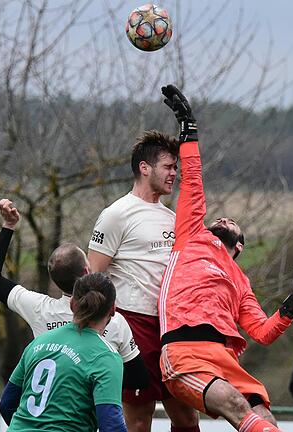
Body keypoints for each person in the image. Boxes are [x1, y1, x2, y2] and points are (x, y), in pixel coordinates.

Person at [157, 84, 293, 432]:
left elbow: (262, 331)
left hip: (224, 359)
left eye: (233, 224)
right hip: (186, 351)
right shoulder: (192, 235)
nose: (224, 219)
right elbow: (194, 184)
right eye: (221, 219)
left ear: (239, 247)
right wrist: (189, 130)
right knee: (236, 407)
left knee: (265, 416)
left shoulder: (239, 281)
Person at [88, 130, 200, 432]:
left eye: (176, 167)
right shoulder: (116, 214)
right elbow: (92, 277)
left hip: (172, 327)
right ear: (144, 168)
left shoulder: (170, 216)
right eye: (168, 166)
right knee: (138, 421)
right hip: (134, 326)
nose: (174, 173)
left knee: (188, 419)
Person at [0, 198, 148, 391]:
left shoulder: (39, 309)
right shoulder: (113, 320)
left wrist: (8, 225)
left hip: (48, 410)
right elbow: (138, 379)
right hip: (89, 415)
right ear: (87, 271)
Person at [0, 272, 128, 432]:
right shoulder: (106, 356)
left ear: (72, 304)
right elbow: (111, 426)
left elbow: (6, 404)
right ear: (113, 310)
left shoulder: (39, 342)